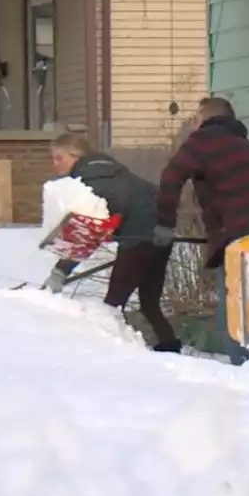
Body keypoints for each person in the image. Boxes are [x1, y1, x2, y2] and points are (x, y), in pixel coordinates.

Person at [45, 132, 182, 354]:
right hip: (160, 236)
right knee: (149, 301)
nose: (54, 165)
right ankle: (170, 347)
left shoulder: (91, 182)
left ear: (75, 157)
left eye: (59, 158)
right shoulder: (111, 171)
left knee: (111, 306)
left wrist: (60, 272)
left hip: (138, 240)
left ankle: (110, 354)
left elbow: (88, 232)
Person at [158, 97, 249, 365]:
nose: (192, 127)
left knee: (233, 310)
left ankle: (244, 369)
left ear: (205, 119)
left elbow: (171, 177)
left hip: (234, 237)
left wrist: (164, 222)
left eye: (195, 120)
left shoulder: (203, 141)